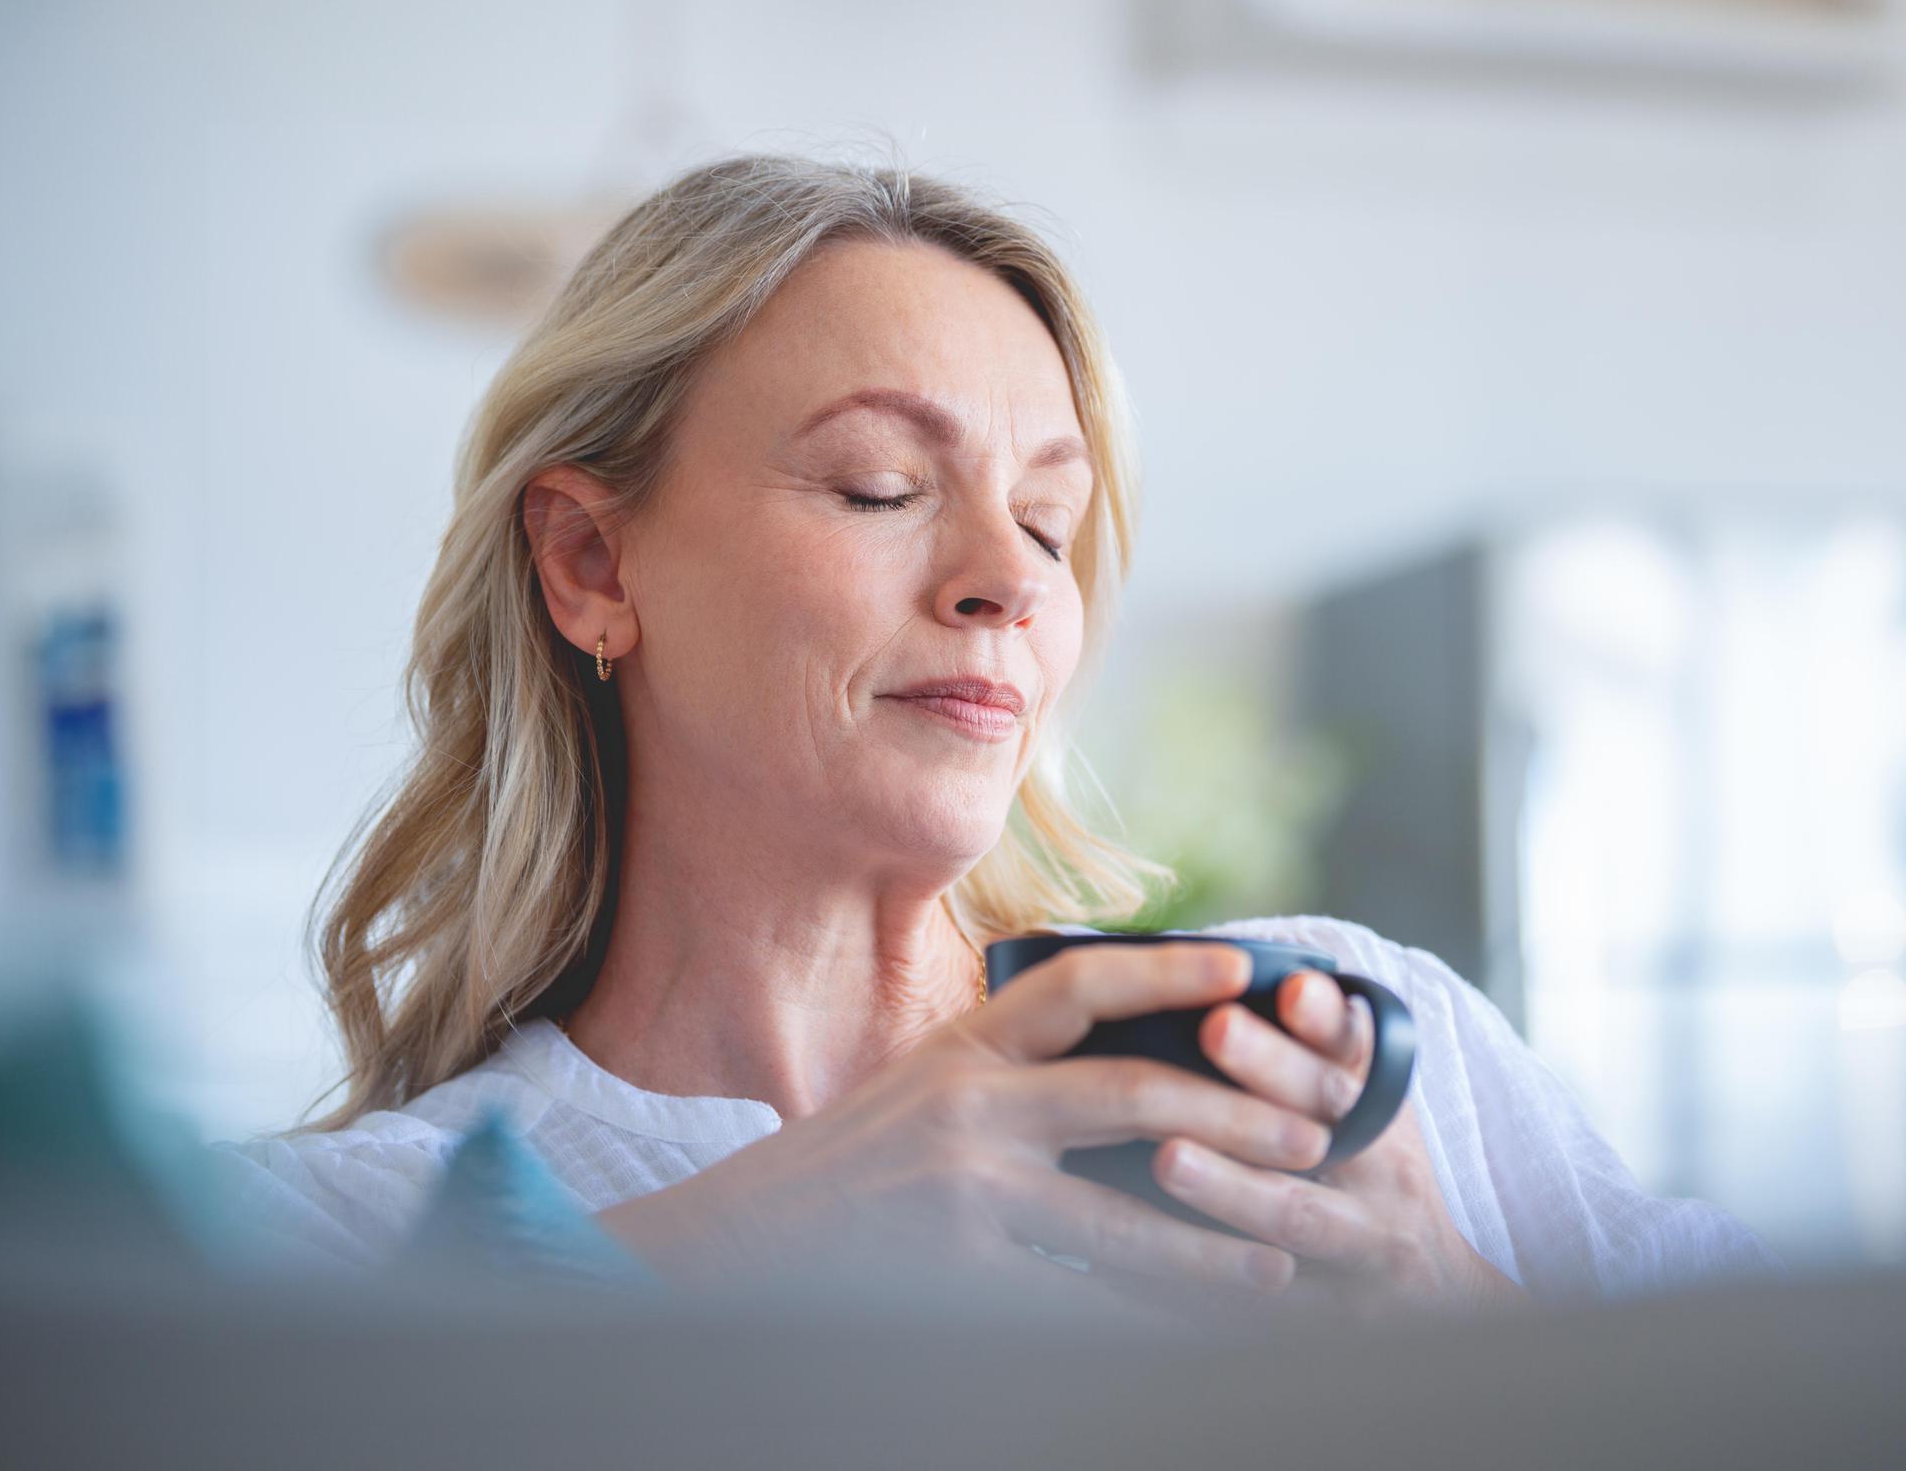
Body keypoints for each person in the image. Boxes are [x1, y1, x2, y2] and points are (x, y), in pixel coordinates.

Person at [211, 150, 1782, 1320]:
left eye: (1048, 518)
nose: (1005, 584)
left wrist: (1467, 1323)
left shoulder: (1360, 1063)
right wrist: (755, 1242)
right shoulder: (338, 1243)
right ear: (590, 564)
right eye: (882, 488)